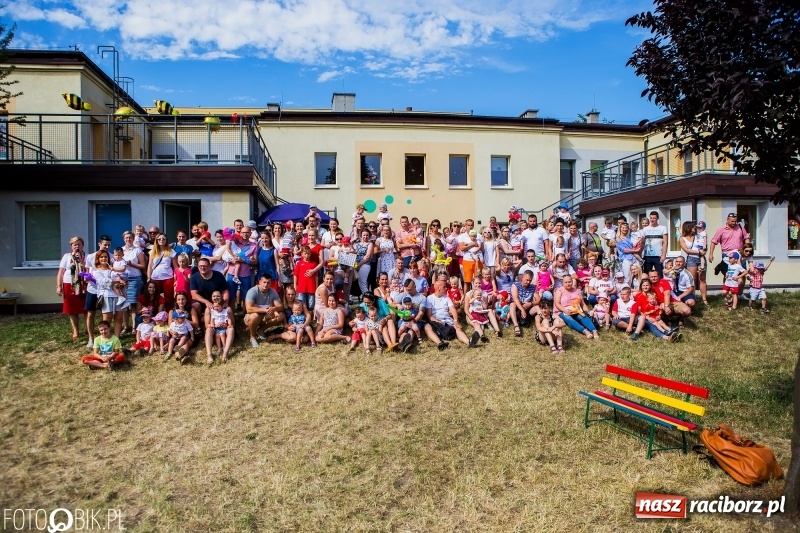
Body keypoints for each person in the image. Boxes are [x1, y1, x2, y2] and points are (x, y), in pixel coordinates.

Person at [426, 280, 480, 349]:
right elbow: (429, 315)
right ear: (438, 288)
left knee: (458, 329)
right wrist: (437, 321)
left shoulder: (446, 298)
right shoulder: (430, 298)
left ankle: (469, 342)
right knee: (428, 328)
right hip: (435, 321)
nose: (446, 288)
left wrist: (455, 320)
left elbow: (453, 310)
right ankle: (440, 343)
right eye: (444, 287)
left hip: (447, 320)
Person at [83, 235, 112, 348]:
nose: (107, 247)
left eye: (109, 245)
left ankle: (105, 337)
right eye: (105, 245)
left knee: (105, 315)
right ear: (99, 243)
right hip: (93, 290)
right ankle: (91, 338)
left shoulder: (110, 256)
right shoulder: (90, 257)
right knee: (90, 314)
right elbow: (86, 273)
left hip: (105, 291)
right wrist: (88, 277)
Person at [56, 236, 87, 340]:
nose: (77, 246)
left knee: (86, 309)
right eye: (75, 245)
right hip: (69, 284)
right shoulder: (67, 256)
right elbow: (61, 272)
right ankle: (76, 331)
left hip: (83, 284)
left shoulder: (87, 256)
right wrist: (59, 286)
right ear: (71, 246)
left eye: (79, 244)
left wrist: (81, 260)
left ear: (82, 246)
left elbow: (89, 269)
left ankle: (88, 328)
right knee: (72, 310)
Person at [244, 273, 285, 348]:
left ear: (270, 283)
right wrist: (265, 310)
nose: (266, 285)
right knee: (254, 316)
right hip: (252, 316)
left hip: (264, 316)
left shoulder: (273, 292)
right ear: (259, 282)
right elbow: (248, 309)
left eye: (268, 282)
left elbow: (281, 307)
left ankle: (260, 330)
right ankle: (252, 337)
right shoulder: (252, 291)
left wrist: (274, 308)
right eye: (264, 282)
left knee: (281, 315)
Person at [554, 275, 598, 340]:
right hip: (562, 310)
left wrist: (587, 312)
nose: (568, 284)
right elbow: (557, 303)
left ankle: (594, 331)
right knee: (568, 319)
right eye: (566, 282)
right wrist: (565, 310)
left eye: (569, 282)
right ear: (562, 283)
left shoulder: (577, 291)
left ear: (572, 282)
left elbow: (582, 304)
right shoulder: (559, 290)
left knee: (582, 316)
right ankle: (585, 331)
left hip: (576, 309)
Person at [708, 212, 750, 278]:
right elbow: (713, 242)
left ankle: (740, 288)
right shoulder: (721, 229)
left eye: (735, 221)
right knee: (728, 276)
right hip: (728, 255)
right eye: (732, 221)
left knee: (742, 275)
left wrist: (747, 249)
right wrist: (711, 254)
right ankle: (727, 288)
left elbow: (746, 238)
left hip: (740, 254)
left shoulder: (740, 228)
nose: (734, 223)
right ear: (727, 220)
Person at [120, 231, 145, 333]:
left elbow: (143, 265)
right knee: (124, 303)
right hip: (123, 279)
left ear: (133, 238)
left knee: (133, 303)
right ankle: (126, 326)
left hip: (135, 278)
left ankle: (135, 326)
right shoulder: (120, 250)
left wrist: (131, 264)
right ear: (123, 239)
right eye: (126, 238)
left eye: (130, 237)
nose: (128, 239)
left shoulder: (137, 250)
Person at [679, 221, 708, 305]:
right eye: (693, 227)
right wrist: (698, 252)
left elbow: (704, 244)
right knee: (693, 280)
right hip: (691, 259)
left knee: (702, 279)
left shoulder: (698, 236)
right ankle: (693, 298)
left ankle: (704, 299)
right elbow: (686, 250)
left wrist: (704, 251)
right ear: (688, 228)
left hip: (701, 259)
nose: (695, 228)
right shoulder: (682, 238)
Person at [148, 233, 178, 311]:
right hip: (155, 277)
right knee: (155, 297)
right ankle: (155, 316)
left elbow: (176, 267)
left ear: (166, 240)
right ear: (156, 240)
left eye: (163, 239)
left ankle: (169, 316)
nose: (161, 240)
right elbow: (149, 266)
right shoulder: (152, 252)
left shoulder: (171, 251)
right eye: (159, 239)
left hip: (168, 277)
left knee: (169, 298)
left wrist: (177, 279)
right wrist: (148, 278)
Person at [203, 291, 235, 364]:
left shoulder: (227, 309)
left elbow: (232, 324)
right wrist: (214, 325)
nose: (216, 298)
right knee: (208, 330)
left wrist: (227, 325)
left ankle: (225, 352)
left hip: (225, 328)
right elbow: (207, 324)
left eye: (218, 296)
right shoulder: (209, 309)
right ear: (211, 298)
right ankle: (209, 355)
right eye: (214, 296)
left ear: (222, 297)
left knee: (231, 329)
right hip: (215, 329)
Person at [509, 271, 540, 337]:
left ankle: (541, 326)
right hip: (518, 307)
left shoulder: (533, 287)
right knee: (512, 304)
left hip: (528, 307)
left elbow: (538, 300)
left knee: (538, 308)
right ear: (522, 277)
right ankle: (516, 326)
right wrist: (522, 309)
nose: (528, 282)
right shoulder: (515, 285)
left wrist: (531, 303)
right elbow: (515, 298)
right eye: (527, 280)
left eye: (530, 280)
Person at [641, 211, 668, 276]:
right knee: (647, 274)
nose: (652, 220)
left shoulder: (663, 228)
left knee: (660, 274)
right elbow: (642, 243)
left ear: (657, 218)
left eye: (654, 218)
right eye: (651, 218)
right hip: (647, 256)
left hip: (658, 255)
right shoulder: (645, 229)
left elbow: (665, 242)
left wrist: (664, 255)